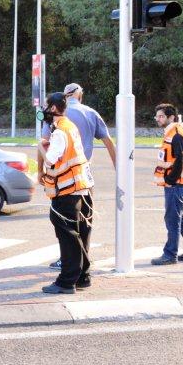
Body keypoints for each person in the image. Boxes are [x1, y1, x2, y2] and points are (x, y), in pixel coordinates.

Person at [40, 82, 117, 270]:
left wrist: (41, 172)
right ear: (79, 94)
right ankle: (83, 264)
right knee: (84, 222)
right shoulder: (90, 113)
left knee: (65, 226)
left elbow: (45, 144)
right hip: (84, 177)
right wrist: (119, 169)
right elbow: (108, 142)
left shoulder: (58, 121)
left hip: (63, 181)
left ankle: (69, 263)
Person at [39, 93, 95, 294]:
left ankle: (66, 281)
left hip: (66, 190)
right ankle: (82, 277)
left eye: (46, 106)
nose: (44, 110)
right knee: (77, 233)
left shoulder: (60, 132)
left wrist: (41, 146)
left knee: (67, 235)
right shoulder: (70, 127)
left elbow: (51, 159)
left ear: (53, 108)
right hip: (80, 188)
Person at [151, 103, 183, 265]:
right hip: (176, 182)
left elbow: (180, 160)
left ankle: (170, 254)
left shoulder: (177, 134)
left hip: (177, 183)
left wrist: (170, 180)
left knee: (172, 218)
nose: (157, 119)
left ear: (171, 117)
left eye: (161, 116)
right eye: (157, 116)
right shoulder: (172, 133)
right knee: (178, 217)